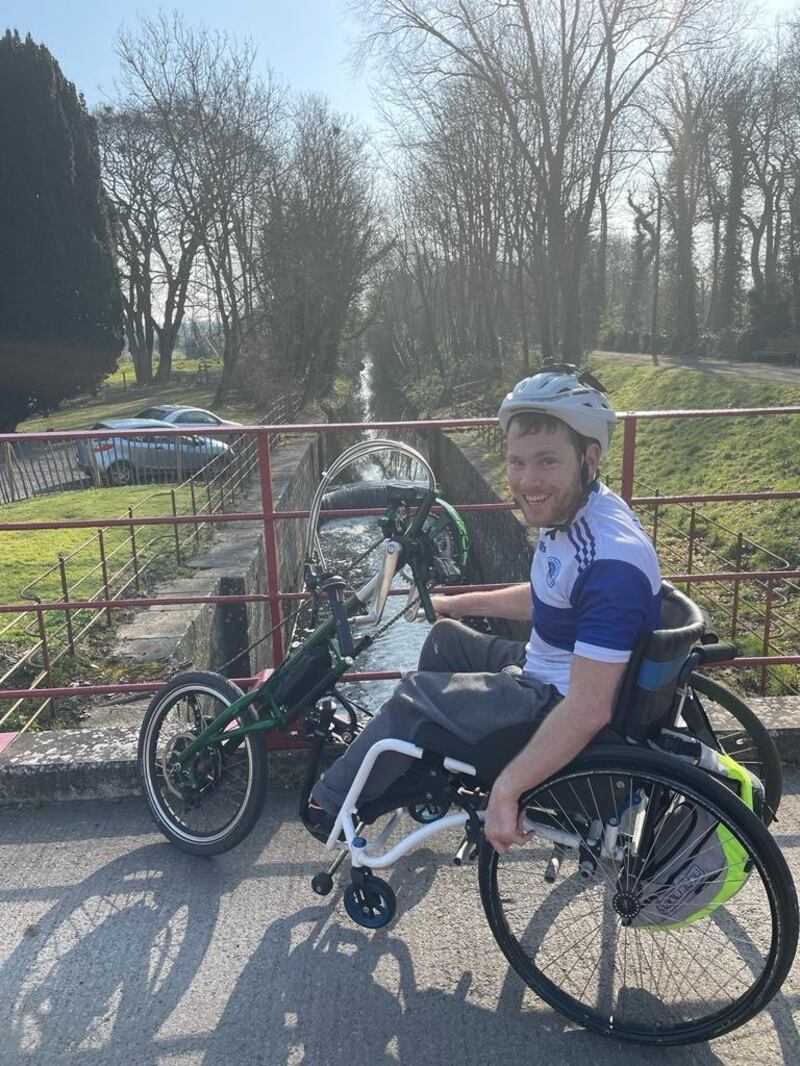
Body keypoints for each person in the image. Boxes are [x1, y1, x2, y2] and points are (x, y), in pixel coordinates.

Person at [305, 367, 662, 854]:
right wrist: (456, 604)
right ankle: (429, 766)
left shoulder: (609, 561)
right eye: (517, 462)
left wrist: (507, 790)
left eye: (547, 462)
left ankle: (327, 805)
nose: (527, 481)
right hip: (549, 670)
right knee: (443, 639)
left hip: (552, 704)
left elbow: (587, 708)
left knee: (413, 696)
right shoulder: (583, 516)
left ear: (590, 457)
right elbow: (547, 595)